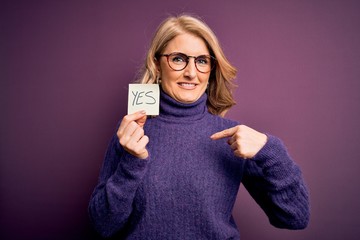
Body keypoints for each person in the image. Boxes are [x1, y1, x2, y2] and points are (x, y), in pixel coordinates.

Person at [88, 14, 310, 239]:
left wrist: (271, 150)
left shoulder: (232, 137)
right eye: (178, 59)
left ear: (212, 69)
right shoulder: (131, 131)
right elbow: (103, 225)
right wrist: (131, 163)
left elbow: (296, 217)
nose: (191, 73)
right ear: (156, 64)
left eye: (202, 61)